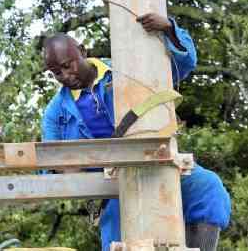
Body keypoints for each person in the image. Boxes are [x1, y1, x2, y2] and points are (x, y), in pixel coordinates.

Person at [41, 13, 231, 251]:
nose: (66, 76)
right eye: (57, 73)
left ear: (83, 51)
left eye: (68, 66)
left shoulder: (127, 69)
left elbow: (179, 67)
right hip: (110, 184)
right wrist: (65, 166)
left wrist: (170, 30)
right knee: (119, 241)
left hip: (155, 161)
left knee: (208, 187)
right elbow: (48, 163)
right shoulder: (55, 113)